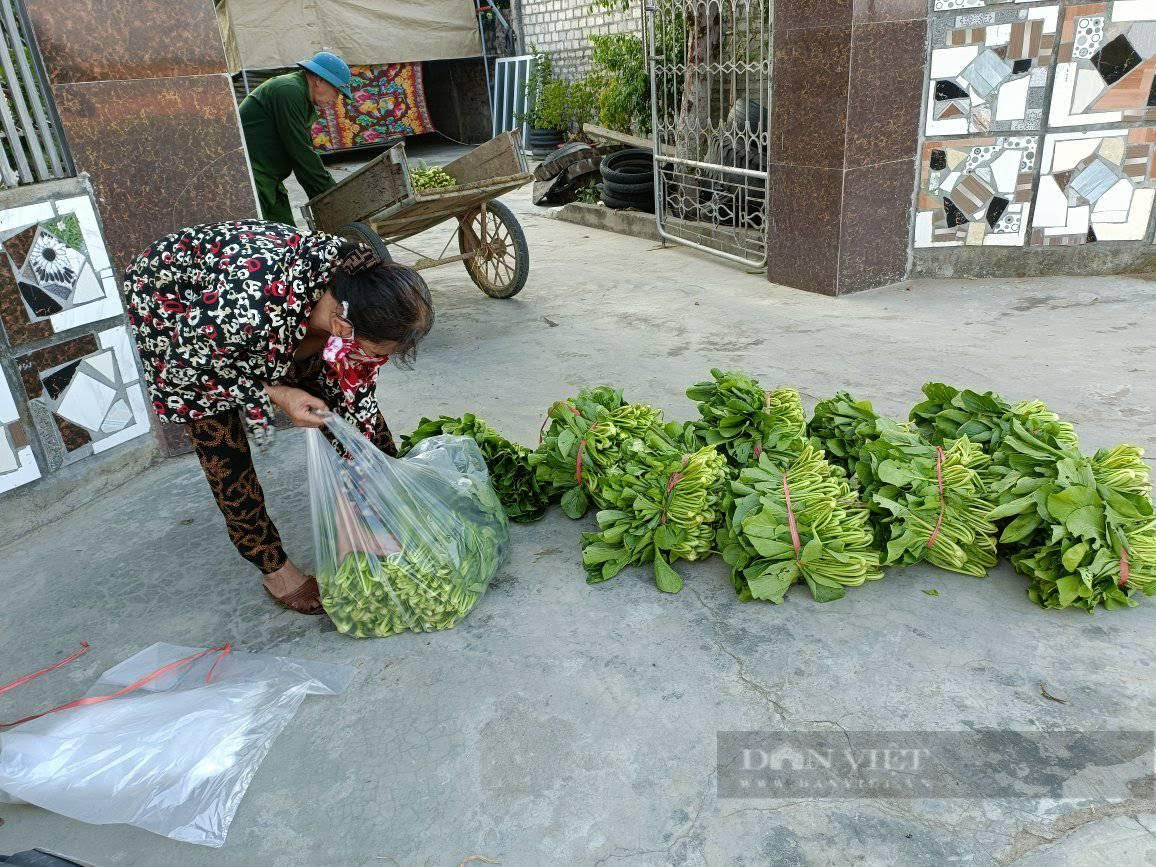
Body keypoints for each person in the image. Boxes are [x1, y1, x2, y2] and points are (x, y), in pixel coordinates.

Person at [123, 221, 434, 614]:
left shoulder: (357, 276)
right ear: (342, 326)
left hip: (258, 286)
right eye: (374, 350)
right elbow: (188, 367)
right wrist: (278, 393)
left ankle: (374, 519)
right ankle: (273, 568)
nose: (376, 361)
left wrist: (380, 486)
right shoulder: (245, 312)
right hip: (179, 305)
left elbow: (357, 401)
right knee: (219, 436)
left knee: (341, 401)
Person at [239, 51, 353, 226]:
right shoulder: (289, 90)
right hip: (251, 178)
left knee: (287, 237)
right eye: (336, 91)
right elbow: (301, 153)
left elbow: (302, 157)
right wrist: (333, 198)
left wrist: (328, 198)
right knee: (263, 241)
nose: (335, 100)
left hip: (270, 180)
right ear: (319, 80)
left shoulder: (301, 95)